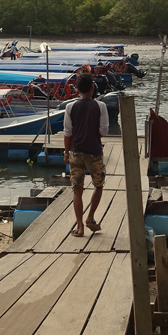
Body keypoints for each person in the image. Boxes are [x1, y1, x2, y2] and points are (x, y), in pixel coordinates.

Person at [63, 71, 109, 237]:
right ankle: (90, 217)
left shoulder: (70, 107)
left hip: (76, 151)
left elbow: (68, 133)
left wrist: (66, 153)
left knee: (77, 190)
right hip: (94, 152)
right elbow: (104, 131)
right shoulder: (100, 106)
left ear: (77, 89)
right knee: (98, 185)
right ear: (92, 88)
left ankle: (80, 227)